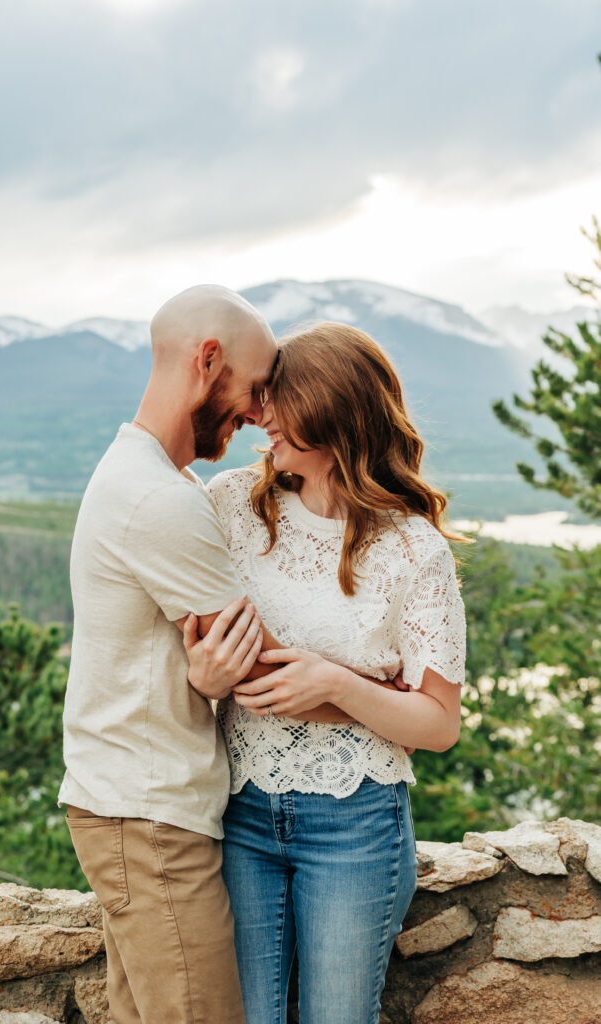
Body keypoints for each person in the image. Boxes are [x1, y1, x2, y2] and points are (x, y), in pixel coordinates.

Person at [185, 322, 467, 1024]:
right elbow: (199, 646)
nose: (262, 415)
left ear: (331, 410)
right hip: (239, 811)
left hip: (356, 825)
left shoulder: (413, 551)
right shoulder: (230, 506)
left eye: (279, 399)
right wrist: (205, 672)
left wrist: (336, 684)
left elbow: (437, 724)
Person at [58, 284, 278, 1024]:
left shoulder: (147, 476)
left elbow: (223, 657)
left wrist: (208, 677)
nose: (258, 413)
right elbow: (260, 661)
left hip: (129, 805)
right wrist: (384, 676)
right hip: (151, 819)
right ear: (206, 358)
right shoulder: (159, 498)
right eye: (254, 389)